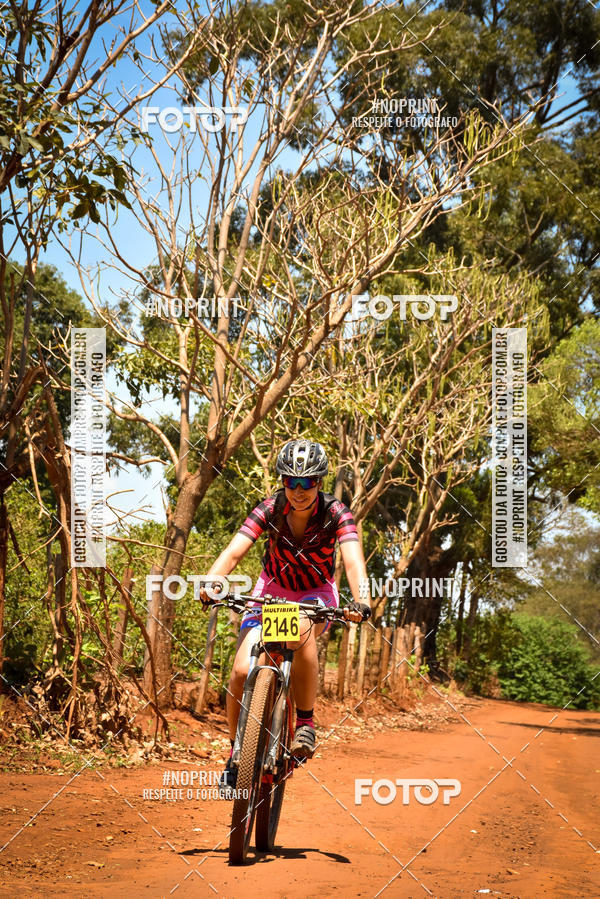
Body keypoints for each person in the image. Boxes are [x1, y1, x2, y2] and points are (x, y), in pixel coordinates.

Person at [200, 439, 371, 795]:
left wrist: (362, 601)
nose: (298, 490)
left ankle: (305, 721)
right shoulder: (268, 509)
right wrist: (211, 583)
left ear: (320, 483)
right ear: (282, 482)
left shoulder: (337, 513)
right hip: (271, 591)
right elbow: (233, 552)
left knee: (299, 628)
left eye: (307, 482)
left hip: (315, 594)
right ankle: (236, 753)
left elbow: (353, 561)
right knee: (242, 670)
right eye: (290, 481)